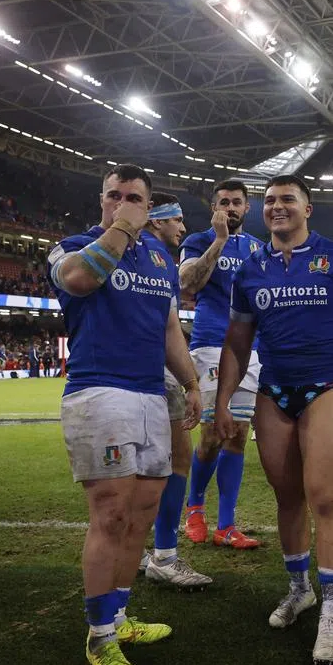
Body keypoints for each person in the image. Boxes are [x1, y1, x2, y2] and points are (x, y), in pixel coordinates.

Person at [217, 175, 333, 665]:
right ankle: (300, 589)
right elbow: (237, 343)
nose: (277, 207)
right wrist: (225, 401)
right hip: (273, 393)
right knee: (287, 496)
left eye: (287, 200)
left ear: (307, 208)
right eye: (270, 201)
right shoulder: (250, 269)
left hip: (327, 388)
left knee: (326, 497)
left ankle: (332, 609)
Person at [46, 164, 201, 665]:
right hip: (99, 391)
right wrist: (124, 227)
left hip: (151, 395)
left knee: (141, 514)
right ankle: (99, 638)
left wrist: (192, 383)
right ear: (102, 199)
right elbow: (81, 279)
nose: (124, 202)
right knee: (110, 514)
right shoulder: (73, 245)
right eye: (115, 195)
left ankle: (119, 617)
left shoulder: (159, 256)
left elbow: (167, 328)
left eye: (135, 197)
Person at [178, 180, 265, 550]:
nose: (230, 207)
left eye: (237, 203)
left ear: (247, 209)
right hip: (212, 344)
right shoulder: (198, 241)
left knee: (239, 435)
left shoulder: (260, 249)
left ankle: (226, 525)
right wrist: (218, 240)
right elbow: (188, 283)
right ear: (214, 208)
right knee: (213, 433)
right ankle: (194, 508)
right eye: (223, 202)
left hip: (253, 350)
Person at [138, 193, 213, 588]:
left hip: (127, 375)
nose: (183, 228)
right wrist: (191, 383)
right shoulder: (159, 259)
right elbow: (167, 329)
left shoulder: (131, 252)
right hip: (156, 372)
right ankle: (165, 555)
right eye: (177, 220)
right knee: (177, 460)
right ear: (156, 221)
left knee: (136, 470)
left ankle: (136, 550)